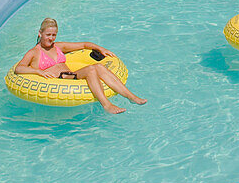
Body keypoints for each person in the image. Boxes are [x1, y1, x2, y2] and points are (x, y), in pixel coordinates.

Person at [15, 17, 147, 115]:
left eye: (53, 35)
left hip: (71, 75)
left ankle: (131, 97)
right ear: (40, 33)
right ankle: (106, 105)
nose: (51, 38)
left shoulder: (58, 47)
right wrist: (38, 72)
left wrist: (101, 49)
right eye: (48, 35)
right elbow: (19, 68)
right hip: (60, 81)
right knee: (90, 70)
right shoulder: (34, 52)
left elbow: (84, 45)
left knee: (99, 67)